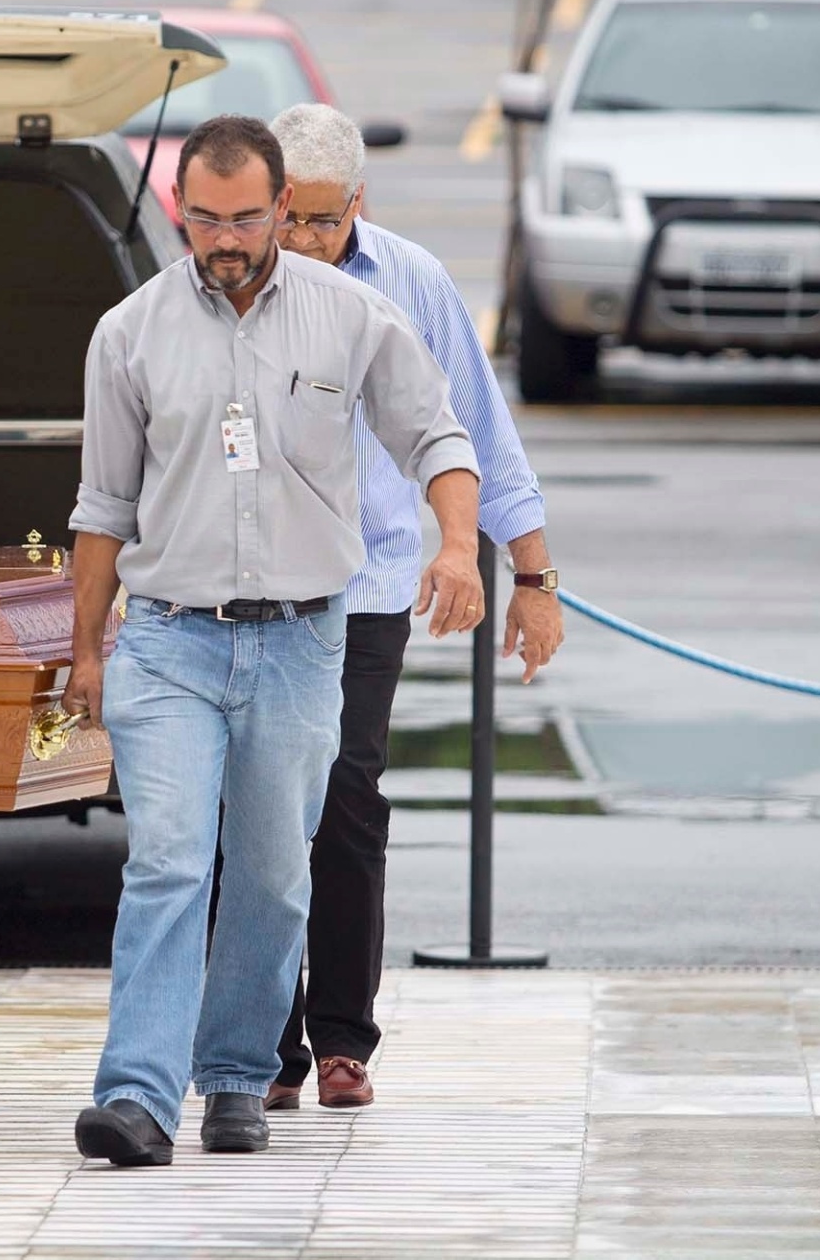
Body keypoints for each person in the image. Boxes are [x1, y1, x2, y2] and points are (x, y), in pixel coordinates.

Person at [64, 115, 485, 1167]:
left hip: (302, 643)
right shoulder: (129, 333)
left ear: (282, 209)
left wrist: (462, 547)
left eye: (248, 218)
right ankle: (136, 1096)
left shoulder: (355, 317)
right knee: (167, 860)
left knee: (269, 874)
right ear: (181, 213)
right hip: (167, 643)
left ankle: (240, 1075)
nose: (227, 239)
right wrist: (83, 653)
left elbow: (438, 433)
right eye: (205, 219)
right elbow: (102, 506)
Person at [261, 104, 565, 1112]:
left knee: (345, 798)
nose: (299, 242)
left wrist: (528, 573)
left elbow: (476, 429)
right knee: (256, 810)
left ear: (359, 203)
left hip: (365, 588)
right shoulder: (228, 288)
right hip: (251, 593)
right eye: (284, 220)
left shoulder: (411, 285)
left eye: (319, 221)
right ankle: (263, 1040)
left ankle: (343, 1036)